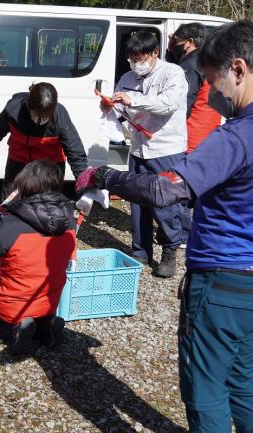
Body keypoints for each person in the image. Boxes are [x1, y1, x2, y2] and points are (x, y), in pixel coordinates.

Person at [76, 20, 253, 433]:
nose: (211, 94)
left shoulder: (236, 138)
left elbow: (165, 191)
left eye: (213, 82)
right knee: (244, 381)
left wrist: (105, 178)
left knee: (205, 386)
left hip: (223, 279)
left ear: (239, 70)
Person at [0, 160, 76, 355]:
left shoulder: (12, 224)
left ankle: (15, 331)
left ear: (24, 184)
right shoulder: (70, 221)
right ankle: (44, 325)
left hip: (12, 304)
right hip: (49, 301)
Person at [106, 31, 188, 278]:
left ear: (155, 54)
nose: (135, 64)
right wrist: (111, 106)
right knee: (137, 201)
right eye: (131, 59)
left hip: (166, 149)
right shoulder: (128, 77)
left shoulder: (173, 74)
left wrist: (133, 101)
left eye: (140, 58)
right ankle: (140, 250)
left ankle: (169, 251)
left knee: (165, 201)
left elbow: (168, 104)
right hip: (139, 148)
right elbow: (121, 107)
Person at [0, 82, 88, 202]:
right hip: (18, 160)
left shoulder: (60, 117)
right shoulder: (14, 109)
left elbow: (76, 153)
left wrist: (85, 188)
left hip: (49, 165)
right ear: (28, 105)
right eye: (36, 115)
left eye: (44, 117)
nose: (39, 120)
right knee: (8, 203)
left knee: (48, 205)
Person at [166, 23, 222, 153]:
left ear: (190, 42)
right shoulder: (208, 61)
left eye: (177, 41)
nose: (175, 44)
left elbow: (182, 103)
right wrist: (170, 52)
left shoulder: (190, 66)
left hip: (189, 137)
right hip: (207, 134)